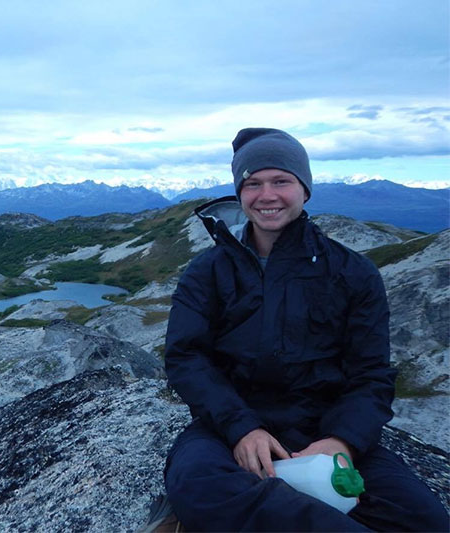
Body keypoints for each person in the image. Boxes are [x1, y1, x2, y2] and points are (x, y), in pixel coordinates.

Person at [163, 128, 448, 531]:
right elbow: (186, 357)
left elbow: (371, 374)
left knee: (424, 519)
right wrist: (242, 428)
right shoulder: (207, 271)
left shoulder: (353, 273)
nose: (267, 195)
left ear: (305, 189)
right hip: (228, 429)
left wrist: (342, 441)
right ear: (240, 193)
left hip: (324, 428)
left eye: (281, 181)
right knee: (198, 485)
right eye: (253, 183)